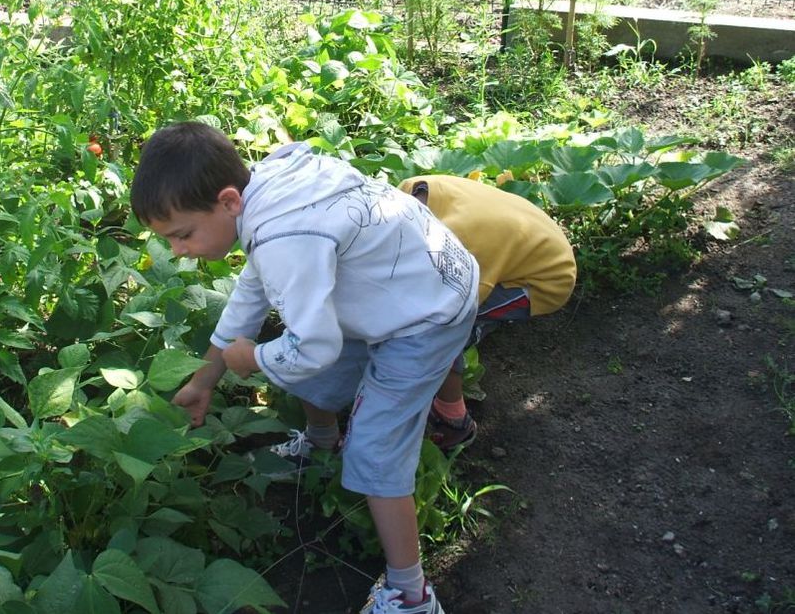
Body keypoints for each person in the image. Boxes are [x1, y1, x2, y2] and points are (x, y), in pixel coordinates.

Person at [130, 121, 480, 614]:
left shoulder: (284, 235)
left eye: (182, 235)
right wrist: (204, 379)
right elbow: (251, 295)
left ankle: (412, 593)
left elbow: (311, 347)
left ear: (229, 201)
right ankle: (319, 446)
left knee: (376, 448)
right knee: (313, 372)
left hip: (426, 313)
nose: (178, 251)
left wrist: (254, 359)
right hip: (398, 286)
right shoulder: (268, 193)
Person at [397, 175, 577, 451]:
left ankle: (454, 418)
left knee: (437, 334)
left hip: (546, 278)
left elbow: (448, 314)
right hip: (530, 237)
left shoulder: (455, 247)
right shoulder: (409, 191)